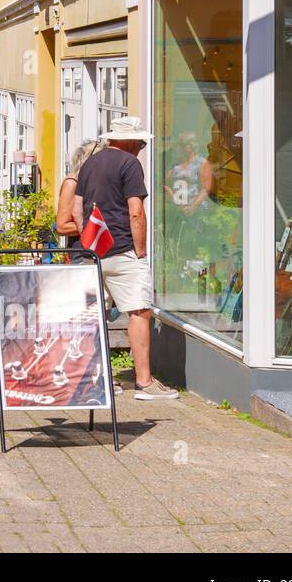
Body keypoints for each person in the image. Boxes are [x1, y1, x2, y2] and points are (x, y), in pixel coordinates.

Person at [75, 116, 179, 401]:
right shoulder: (129, 164)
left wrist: (87, 239)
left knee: (92, 317)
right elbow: (135, 210)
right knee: (139, 311)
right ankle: (144, 382)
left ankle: (94, 379)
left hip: (91, 251)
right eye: (141, 142)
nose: (142, 147)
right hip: (122, 249)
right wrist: (140, 250)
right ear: (130, 141)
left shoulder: (90, 163)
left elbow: (76, 209)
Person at [55, 139, 105, 246]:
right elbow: (62, 226)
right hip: (80, 252)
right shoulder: (72, 184)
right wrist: (97, 225)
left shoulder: (96, 184)